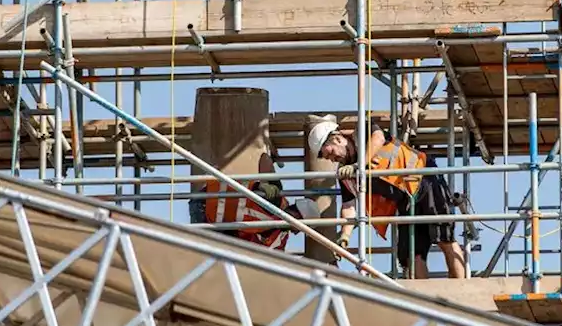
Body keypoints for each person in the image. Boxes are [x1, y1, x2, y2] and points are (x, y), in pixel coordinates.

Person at [307, 120, 467, 279]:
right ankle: (422, 300)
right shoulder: (346, 174)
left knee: (445, 238)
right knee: (411, 254)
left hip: (425, 177)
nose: (332, 159)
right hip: (405, 201)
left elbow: (378, 137)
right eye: (327, 157)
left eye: (330, 152)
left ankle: (461, 290)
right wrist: (344, 236)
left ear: (337, 138)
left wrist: (359, 166)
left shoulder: (362, 132)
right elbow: (349, 206)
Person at [200, 153, 322, 252]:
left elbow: (274, 258)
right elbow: (265, 158)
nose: (296, 233)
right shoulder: (275, 198)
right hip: (205, 203)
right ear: (298, 216)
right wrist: (264, 182)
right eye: (300, 229)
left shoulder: (279, 236)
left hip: (215, 222)